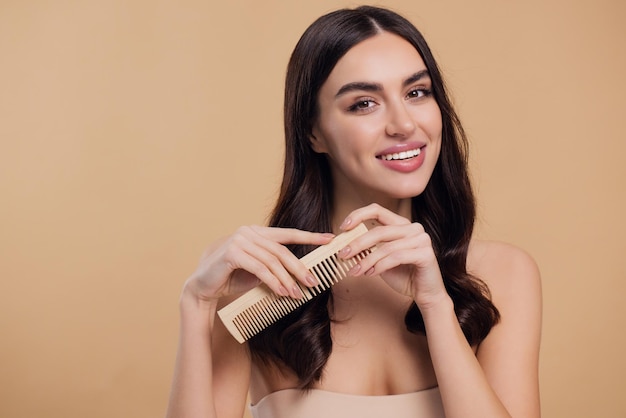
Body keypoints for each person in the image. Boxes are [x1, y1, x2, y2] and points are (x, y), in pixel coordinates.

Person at [166, 5, 542, 418]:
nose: (403, 124)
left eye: (417, 92)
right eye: (364, 103)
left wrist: (436, 306)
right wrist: (196, 304)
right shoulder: (253, 275)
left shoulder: (501, 274)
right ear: (313, 132)